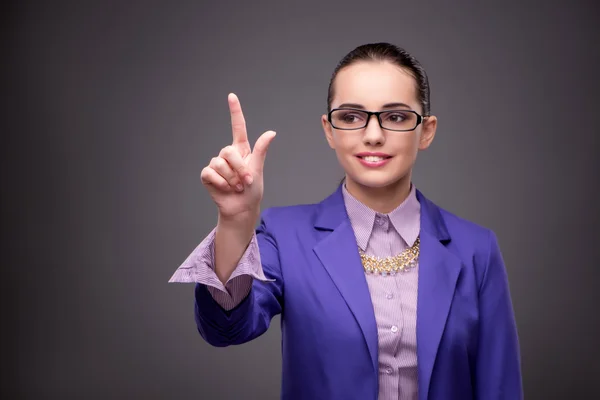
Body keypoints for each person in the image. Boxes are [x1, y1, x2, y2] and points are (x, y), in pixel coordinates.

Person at [169, 42, 523, 400]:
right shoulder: (284, 236)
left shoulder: (477, 250)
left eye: (396, 117)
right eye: (351, 117)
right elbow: (225, 328)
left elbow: (500, 386)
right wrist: (235, 221)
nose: (373, 135)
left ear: (426, 130)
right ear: (329, 130)